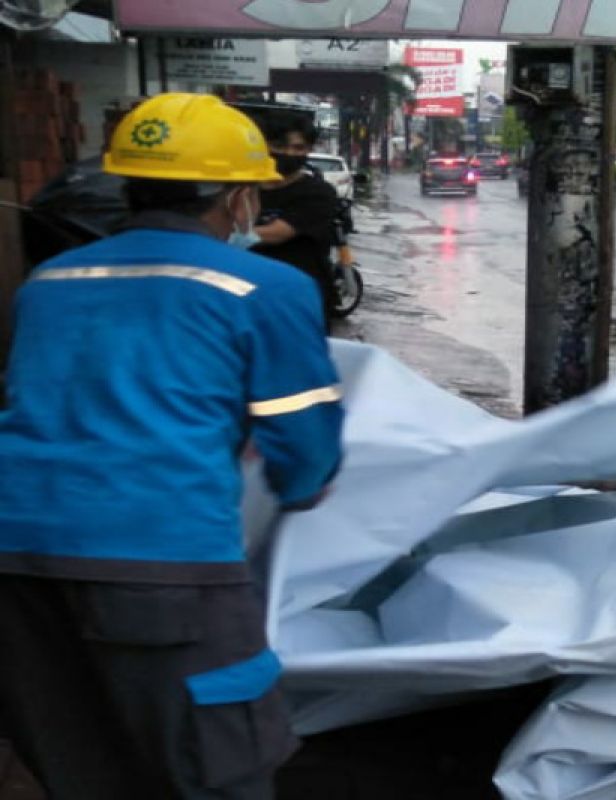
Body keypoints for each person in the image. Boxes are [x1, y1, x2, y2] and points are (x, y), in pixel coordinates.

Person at [0, 93, 345, 798]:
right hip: (162, 564)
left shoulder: (51, 280)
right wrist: (304, 488)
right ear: (236, 197)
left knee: (80, 757)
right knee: (220, 765)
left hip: (15, 559)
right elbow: (303, 448)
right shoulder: (263, 285)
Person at [252, 115, 339, 331]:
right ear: (266, 145)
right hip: (248, 295)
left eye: (299, 147)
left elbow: (277, 233)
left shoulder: (318, 193)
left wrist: (224, 236)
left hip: (299, 301)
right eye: (280, 146)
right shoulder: (243, 188)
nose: (290, 153)